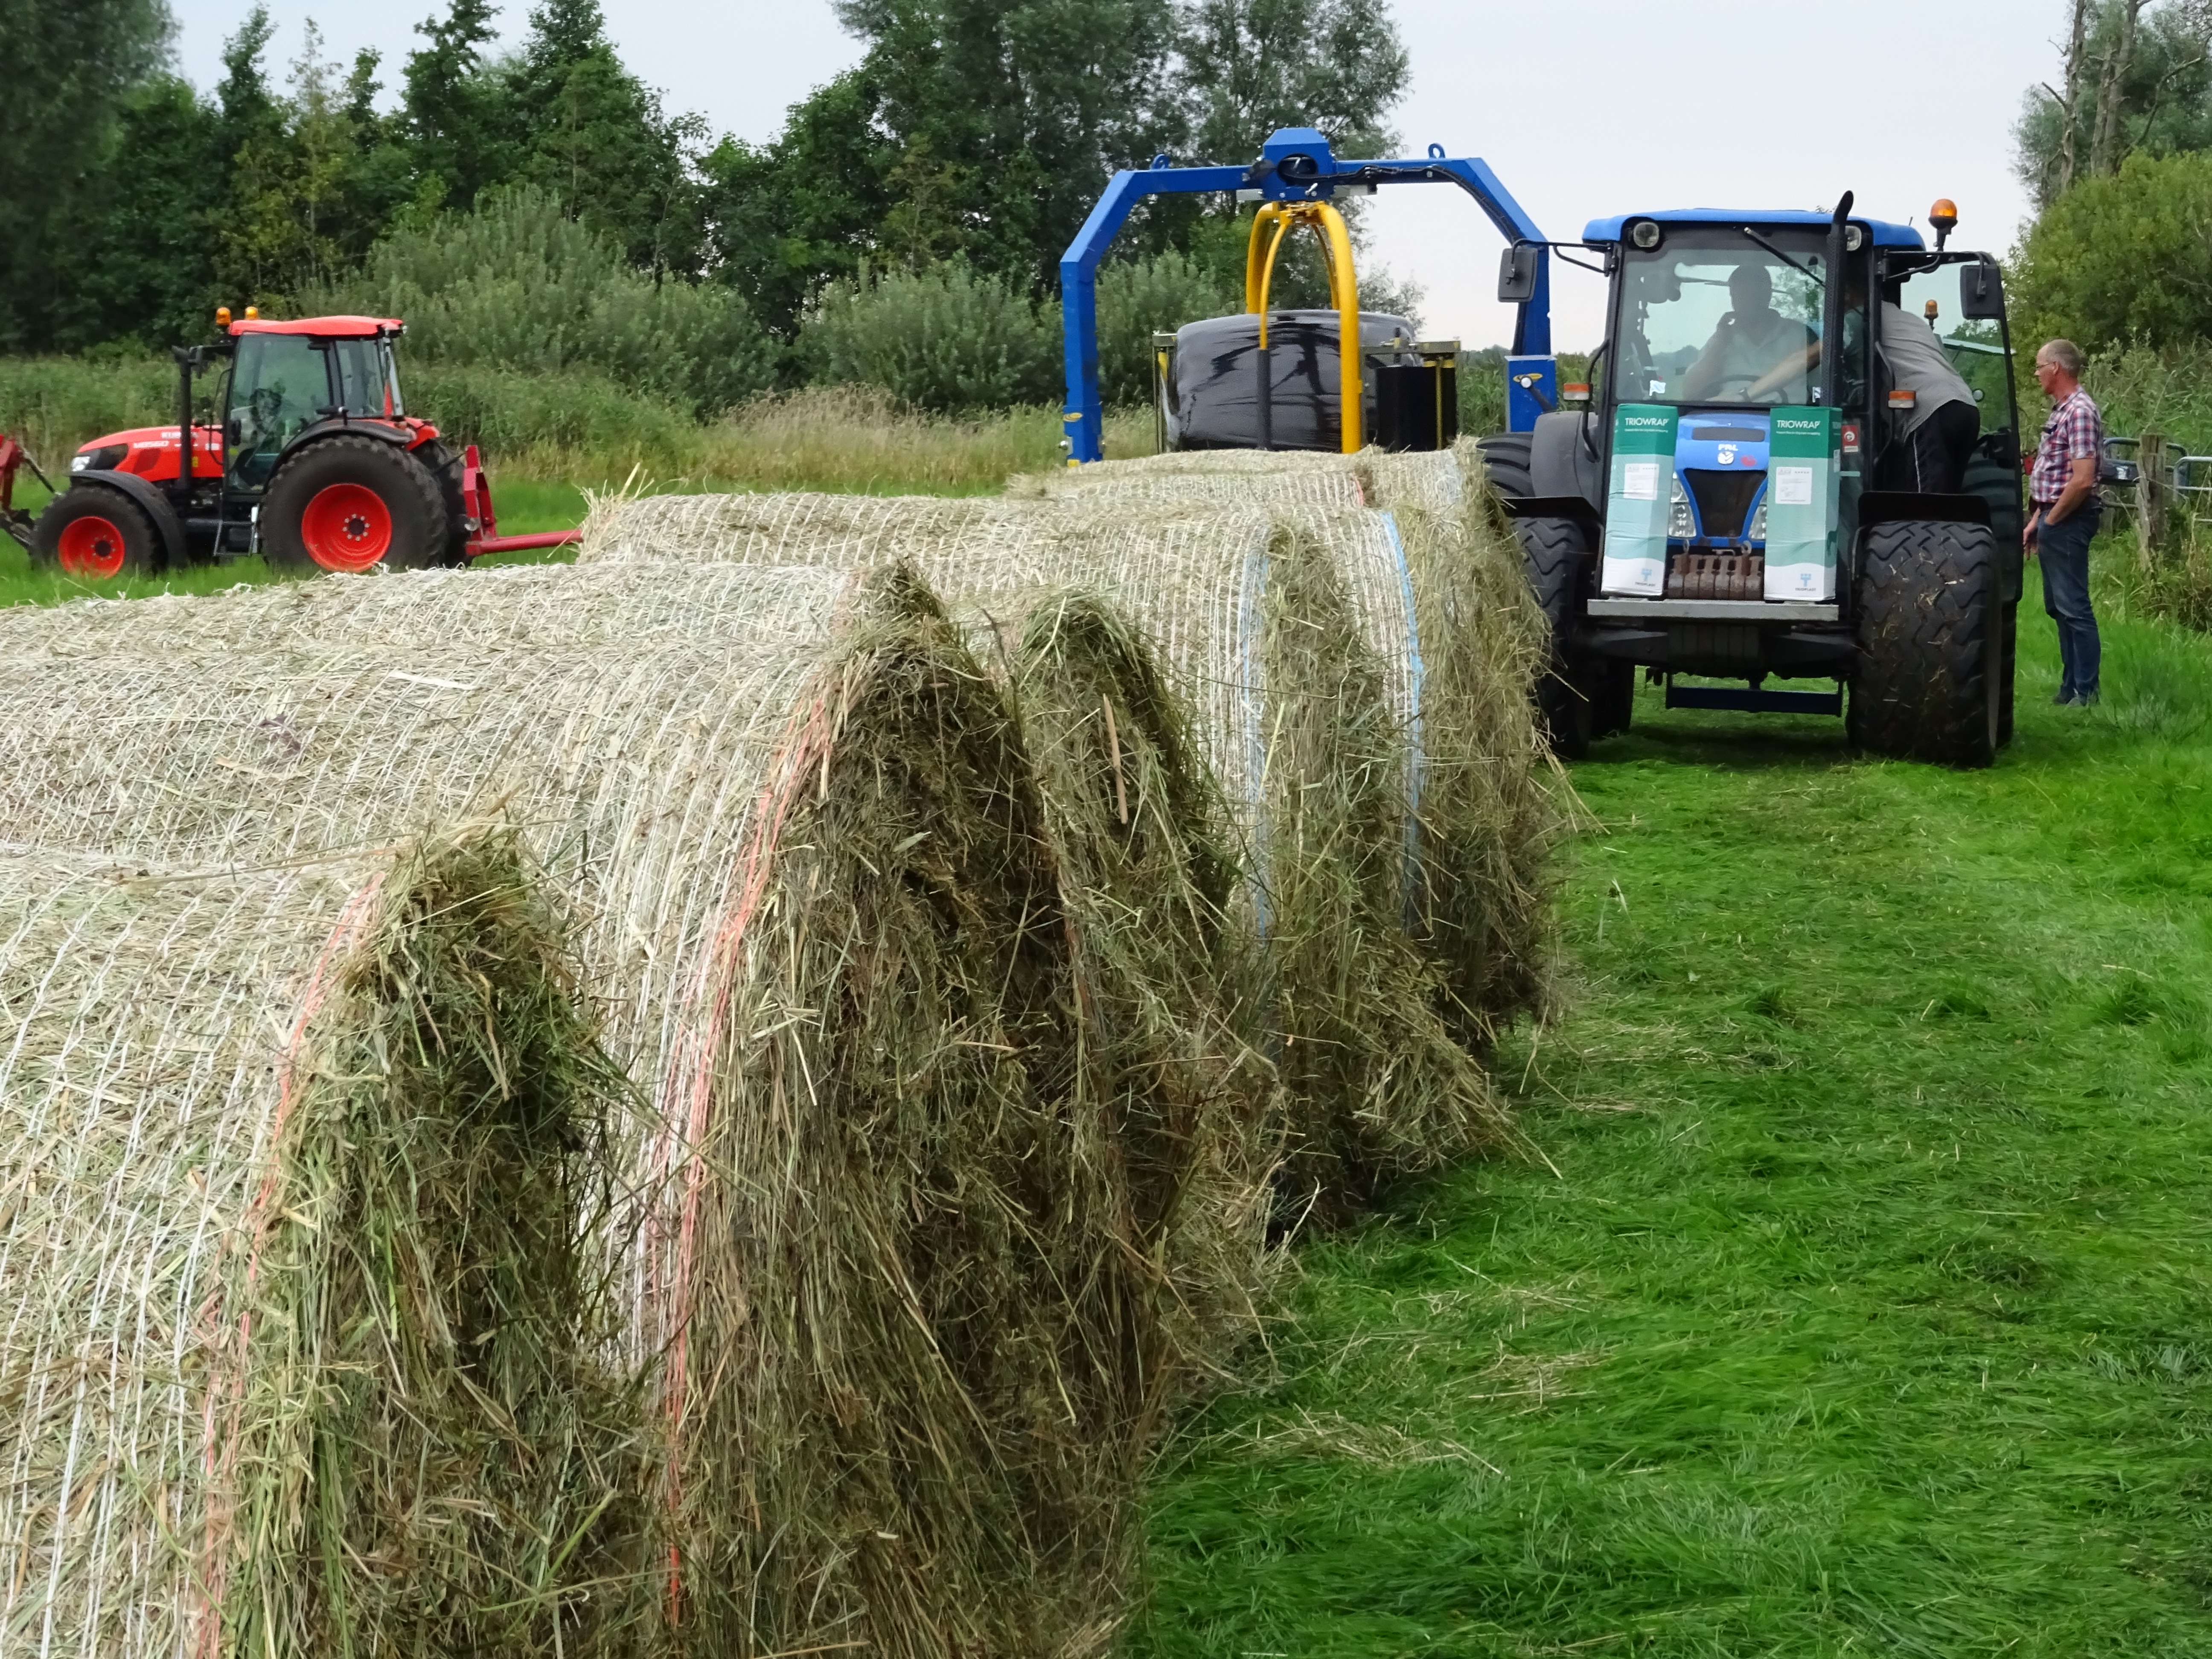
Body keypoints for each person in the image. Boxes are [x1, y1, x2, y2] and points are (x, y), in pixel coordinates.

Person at [1746, 270, 1980, 493]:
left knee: (1925, 509)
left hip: (1929, 413)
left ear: (1846, 293)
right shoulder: (1906, 318)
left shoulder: (1861, 318)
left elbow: (1810, 357)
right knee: (1947, 502)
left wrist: (1746, 395)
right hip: (1964, 407)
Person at [2026, 338, 2104, 705]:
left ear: (2056, 368)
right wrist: (2037, 520)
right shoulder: (2061, 411)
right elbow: (2055, 474)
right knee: (2058, 607)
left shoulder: (2080, 412)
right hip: (2054, 516)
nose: (2037, 373)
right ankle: (2069, 687)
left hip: (2070, 519)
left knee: (2074, 606)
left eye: (2039, 366)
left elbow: (2083, 479)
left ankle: (2086, 692)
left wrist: (2053, 521)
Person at [1679, 264, 1815, 401]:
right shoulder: (1721, 340)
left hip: (1788, 419)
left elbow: (1823, 390)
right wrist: (1721, 343)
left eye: (1749, 295)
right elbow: (1691, 392)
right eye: (1737, 296)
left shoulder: (1802, 335)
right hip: (1733, 416)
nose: (1743, 302)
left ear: (1767, 294)